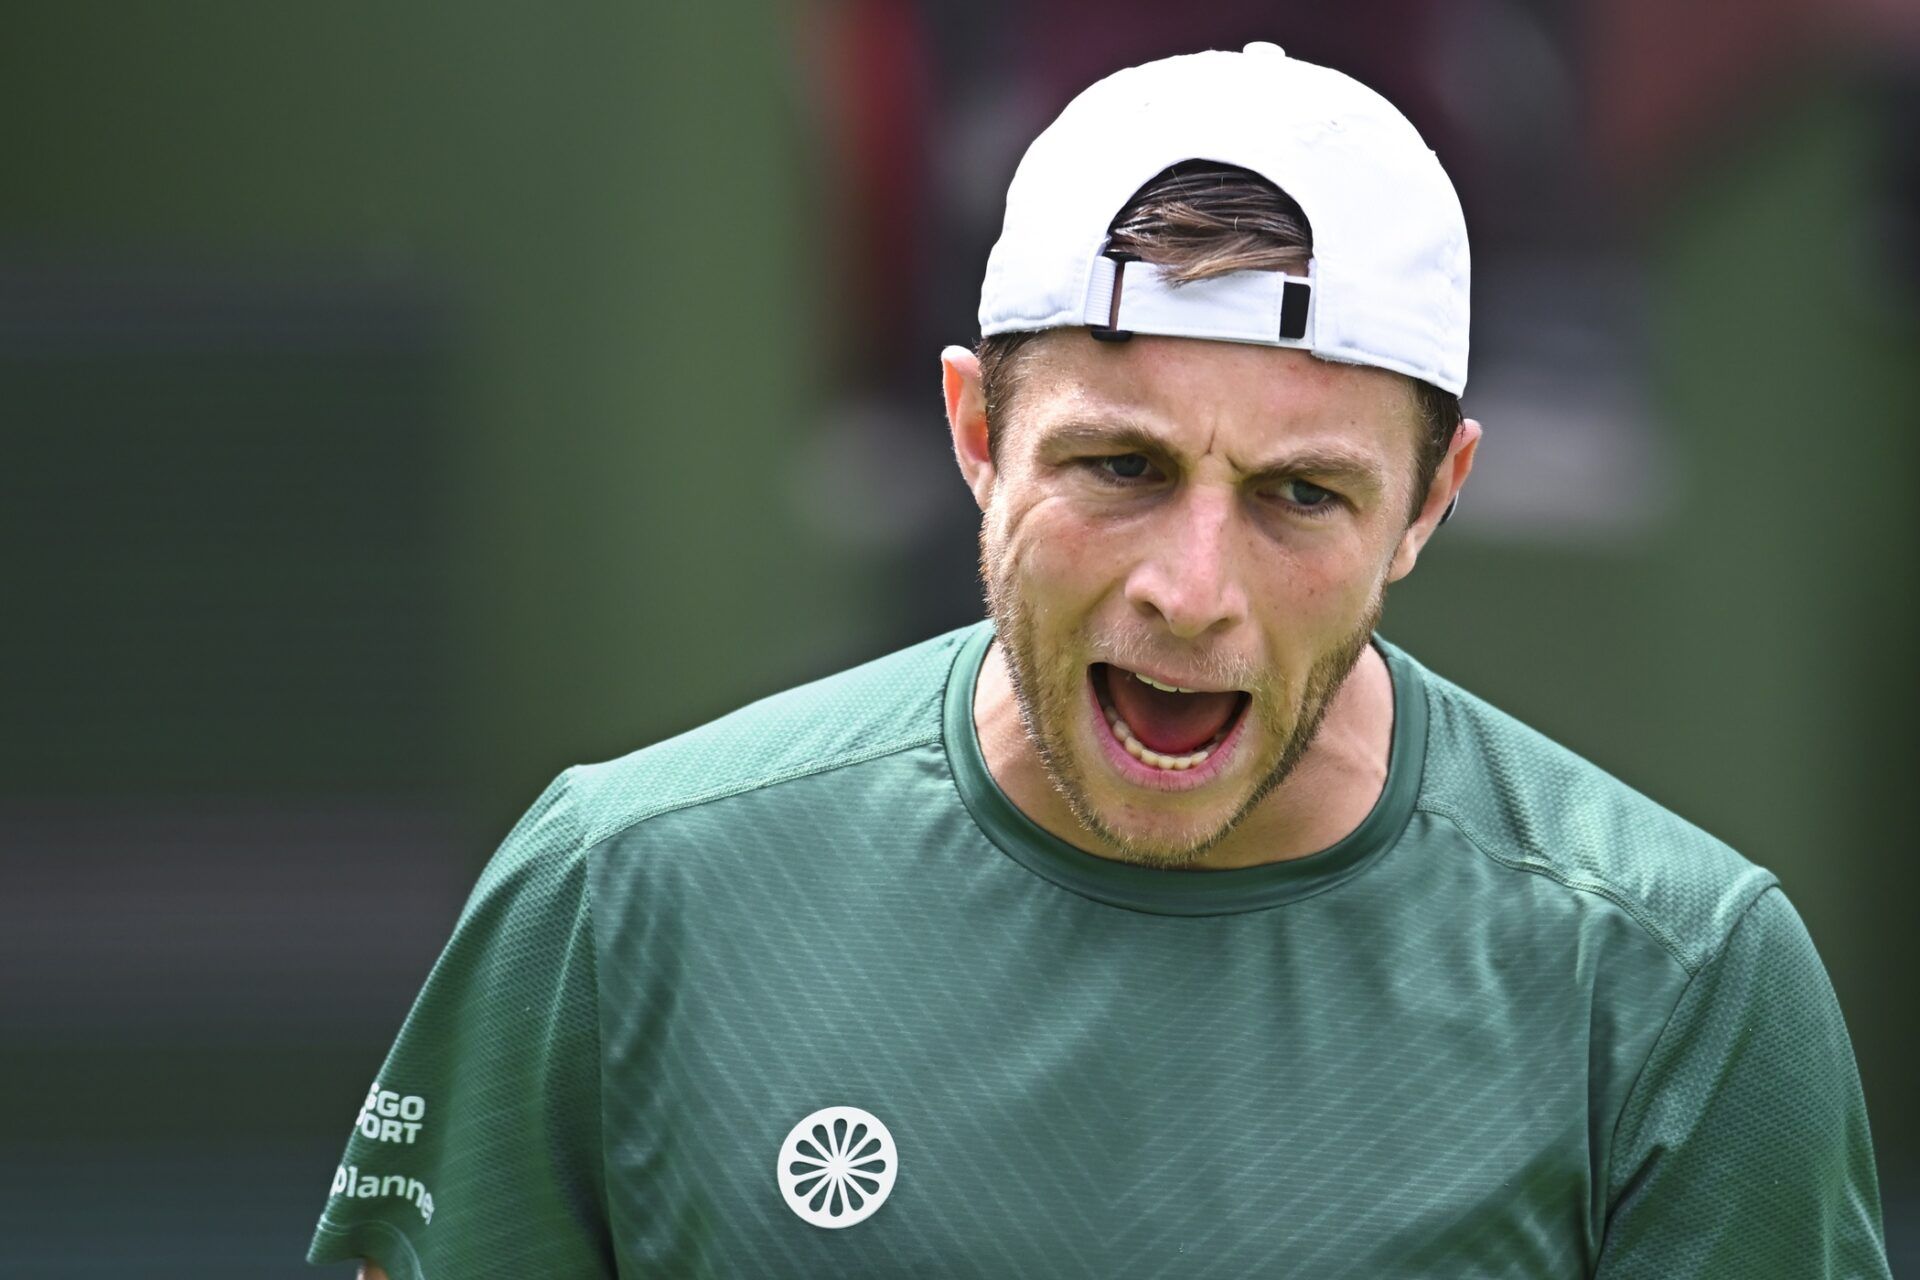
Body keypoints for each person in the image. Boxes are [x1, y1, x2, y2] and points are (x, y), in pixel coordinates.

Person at [311, 44, 1891, 1279]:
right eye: (1123, 469)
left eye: (1298, 496)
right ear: (975, 435)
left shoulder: (1678, 985)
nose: (1190, 590)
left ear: (1430, 505)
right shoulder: (618, 893)